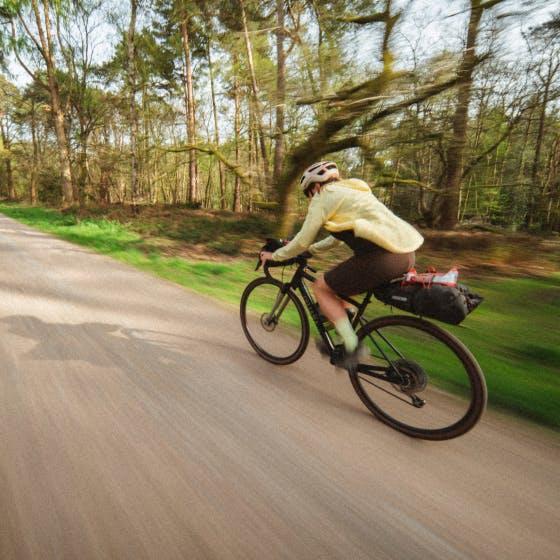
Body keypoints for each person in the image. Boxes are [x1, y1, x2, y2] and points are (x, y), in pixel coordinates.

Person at [260, 161, 423, 366]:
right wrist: (311, 250)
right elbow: (335, 238)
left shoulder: (323, 196)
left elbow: (302, 239)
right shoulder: (351, 191)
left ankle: (352, 345)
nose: (310, 199)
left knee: (321, 287)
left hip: (382, 258)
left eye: (309, 193)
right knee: (339, 284)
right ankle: (345, 321)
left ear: (316, 186)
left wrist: (275, 256)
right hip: (406, 254)